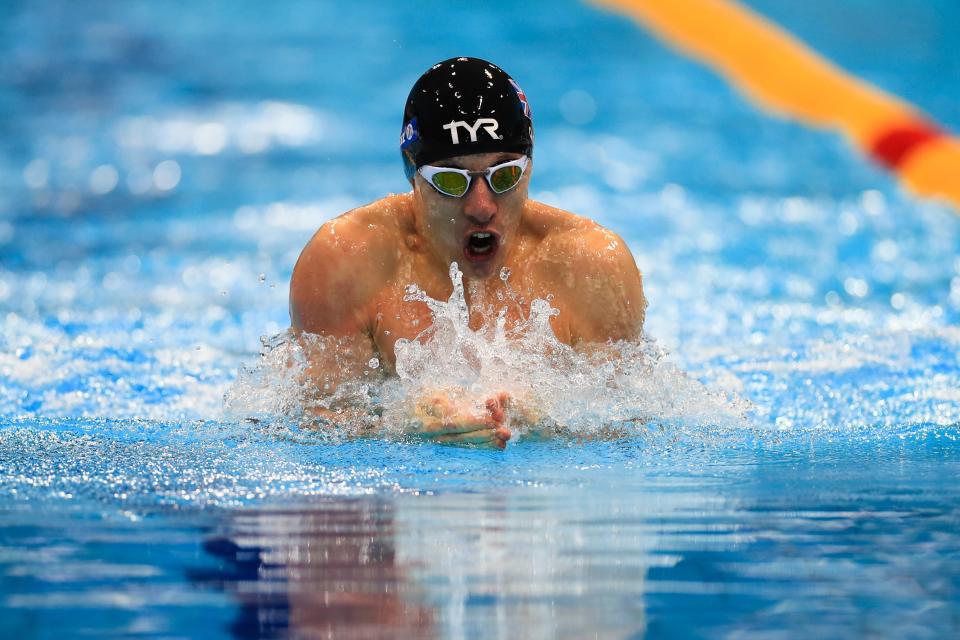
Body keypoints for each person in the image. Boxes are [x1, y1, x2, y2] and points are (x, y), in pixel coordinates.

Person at [289, 57, 645, 447]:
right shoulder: (346, 261)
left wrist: (546, 422)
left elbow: (626, 429)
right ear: (412, 171)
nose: (481, 206)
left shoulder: (591, 265)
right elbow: (317, 426)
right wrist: (404, 425)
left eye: (505, 175)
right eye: (450, 181)